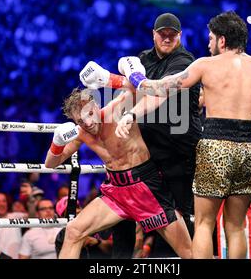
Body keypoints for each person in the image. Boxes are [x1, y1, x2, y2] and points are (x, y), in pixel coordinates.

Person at [115, 11, 251, 259]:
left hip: (217, 146)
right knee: (236, 226)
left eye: (211, 38)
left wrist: (138, 79)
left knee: (203, 224)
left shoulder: (204, 64)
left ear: (222, 40)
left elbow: (163, 88)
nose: (208, 44)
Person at [79, 12, 201, 257]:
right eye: (162, 34)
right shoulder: (145, 58)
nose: (166, 38)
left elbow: (160, 93)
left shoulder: (185, 61)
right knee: (126, 205)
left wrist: (132, 112)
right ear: (153, 34)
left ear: (179, 36)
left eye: (172, 34)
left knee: (175, 217)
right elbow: (129, 78)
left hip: (178, 153)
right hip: (148, 153)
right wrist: (99, 109)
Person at [44, 88, 192, 259]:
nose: (88, 123)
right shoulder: (81, 133)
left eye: (90, 114)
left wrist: (111, 78)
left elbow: (146, 90)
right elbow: (51, 163)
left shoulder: (116, 109)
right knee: (73, 230)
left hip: (147, 188)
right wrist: (57, 143)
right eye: (81, 120)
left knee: (188, 252)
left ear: (96, 105)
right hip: (116, 191)